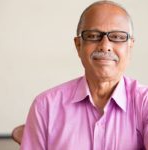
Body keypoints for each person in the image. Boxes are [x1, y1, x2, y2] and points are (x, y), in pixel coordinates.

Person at [20, 1, 148, 150]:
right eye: (93, 36)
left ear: (130, 45)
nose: (105, 46)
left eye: (117, 37)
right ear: (78, 45)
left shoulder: (144, 103)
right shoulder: (45, 106)